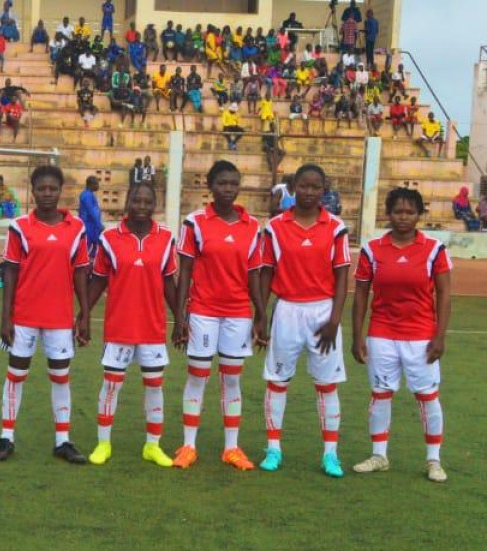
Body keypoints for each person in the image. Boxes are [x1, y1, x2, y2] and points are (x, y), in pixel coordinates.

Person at [350, 188, 450, 483]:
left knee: (427, 397)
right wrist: (358, 337)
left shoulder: (434, 249)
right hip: (382, 333)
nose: (403, 217)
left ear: (419, 215)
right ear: (388, 214)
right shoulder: (373, 249)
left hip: (421, 336)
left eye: (409, 212)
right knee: (381, 394)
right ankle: (379, 455)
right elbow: (361, 295)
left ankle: (434, 460)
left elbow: (444, 295)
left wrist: (439, 336)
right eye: (397, 212)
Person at [171, 161, 266, 470]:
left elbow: (254, 275)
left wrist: (261, 314)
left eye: (234, 183)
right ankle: (188, 445)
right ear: (210, 186)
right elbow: (184, 271)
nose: (228, 188)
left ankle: (232, 448)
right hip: (203, 310)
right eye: (222, 183)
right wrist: (180, 315)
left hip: (238, 313)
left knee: (232, 380)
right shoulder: (195, 223)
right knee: (197, 377)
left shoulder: (252, 226)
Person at [0, 166, 90, 464]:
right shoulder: (20, 227)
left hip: (59, 317)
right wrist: (6, 316)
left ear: (61, 191)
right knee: (16, 375)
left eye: (53, 188)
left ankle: (63, 440)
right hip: (24, 315)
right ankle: (6, 437)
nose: (47, 194)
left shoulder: (76, 228)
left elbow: (81, 272)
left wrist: (84, 313)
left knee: (60, 377)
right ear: (32, 191)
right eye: (41, 188)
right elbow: (10, 271)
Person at [259, 163, 350, 477]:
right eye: (304, 186)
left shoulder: (336, 227)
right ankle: (273, 449)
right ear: (293, 187)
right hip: (287, 310)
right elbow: (266, 271)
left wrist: (335, 320)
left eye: (316, 187)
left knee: (327, 385)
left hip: (323, 312)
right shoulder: (275, 227)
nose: (309, 192)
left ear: (323, 190)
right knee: (277, 381)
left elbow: (342, 278)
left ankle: (330, 454)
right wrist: (261, 315)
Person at [82, 182, 180, 467]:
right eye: (136, 200)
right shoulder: (109, 237)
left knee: (154, 385)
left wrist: (180, 318)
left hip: (152, 326)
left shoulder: (165, 238)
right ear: (127, 202)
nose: (141, 206)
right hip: (120, 325)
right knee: (111, 385)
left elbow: (168, 282)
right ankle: (103, 443)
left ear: (155, 205)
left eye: (147, 202)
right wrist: (84, 314)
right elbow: (98, 279)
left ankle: (153, 445)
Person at [78, 176, 104, 254]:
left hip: (92, 224)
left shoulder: (88, 194)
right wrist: (99, 224)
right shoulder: (87, 196)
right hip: (89, 224)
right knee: (87, 244)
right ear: (91, 185)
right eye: (96, 184)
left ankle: (92, 258)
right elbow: (91, 211)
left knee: (95, 244)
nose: (98, 186)